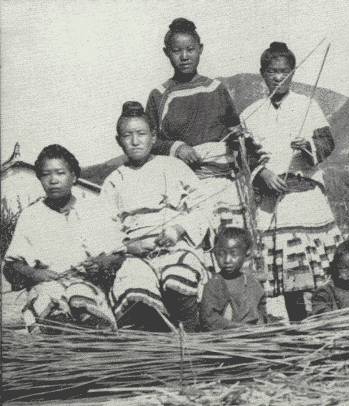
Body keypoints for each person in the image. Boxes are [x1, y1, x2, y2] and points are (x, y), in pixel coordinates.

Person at [241, 41, 342, 322]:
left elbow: (326, 141)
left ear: (293, 73)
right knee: (284, 273)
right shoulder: (250, 113)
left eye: (284, 71)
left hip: (305, 195)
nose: (278, 77)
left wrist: (307, 145)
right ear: (263, 73)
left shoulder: (307, 106)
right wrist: (263, 174)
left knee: (317, 271)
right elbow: (245, 154)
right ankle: (294, 327)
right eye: (272, 71)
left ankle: (323, 323)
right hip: (273, 202)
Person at [101, 101, 211, 332]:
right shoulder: (114, 180)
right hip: (136, 254)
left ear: (153, 136)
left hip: (177, 245)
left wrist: (177, 230)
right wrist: (130, 247)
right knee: (135, 289)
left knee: (177, 279)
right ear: (118, 140)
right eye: (127, 135)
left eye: (141, 134)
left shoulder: (174, 167)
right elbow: (104, 228)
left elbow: (202, 207)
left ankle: (190, 338)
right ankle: (154, 347)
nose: (135, 141)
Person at [4, 145, 123, 333]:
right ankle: (55, 329)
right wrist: (35, 274)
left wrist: (101, 263)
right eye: (45, 174)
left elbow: (118, 256)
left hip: (87, 285)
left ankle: (90, 328)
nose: (53, 180)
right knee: (48, 304)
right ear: (39, 178)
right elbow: (11, 265)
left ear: (74, 177)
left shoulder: (93, 210)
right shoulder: (31, 215)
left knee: (81, 301)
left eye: (60, 173)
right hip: (46, 286)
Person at [146, 17, 245, 233]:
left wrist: (238, 138)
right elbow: (149, 142)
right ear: (166, 53)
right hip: (182, 186)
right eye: (176, 51)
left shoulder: (216, 89)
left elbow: (235, 132)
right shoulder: (159, 95)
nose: (184, 57)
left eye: (190, 49)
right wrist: (177, 148)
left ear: (200, 49)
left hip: (223, 185)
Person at [200, 227, 268, 330]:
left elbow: (261, 312)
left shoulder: (252, 282)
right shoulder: (215, 284)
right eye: (221, 254)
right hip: (229, 340)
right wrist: (241, 328)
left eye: (233, 254)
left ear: (247, 253)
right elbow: (209, 319)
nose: (227, 260)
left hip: (255, 337)